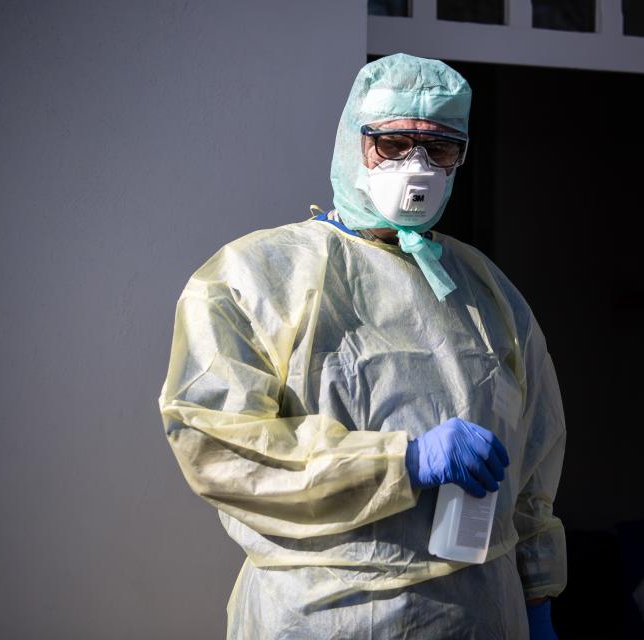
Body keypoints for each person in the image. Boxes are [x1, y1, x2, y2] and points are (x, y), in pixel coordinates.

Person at [159, 53, 567, 639]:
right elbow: (219, 443)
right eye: (393, 143)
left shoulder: (487, 294)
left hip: (479, 614)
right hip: (323, 614)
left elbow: (533, 463)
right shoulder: (254, 278)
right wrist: (403, 461)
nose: (418, 165)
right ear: (355, 142)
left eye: (441, 148)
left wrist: (538, 593)